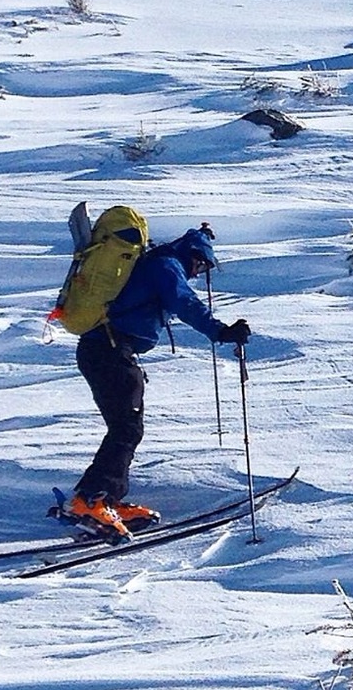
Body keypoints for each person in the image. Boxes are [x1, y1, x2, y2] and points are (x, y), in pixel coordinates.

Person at [67, 225, 250, 537]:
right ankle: (93, 500)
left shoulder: (159, 262)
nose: (198, 272)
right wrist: (220, 331)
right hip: (109, 349)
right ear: (191, 255)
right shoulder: (166, 265)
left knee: (125, 427)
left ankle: (104, 498)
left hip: (105, 349)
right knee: (127, 427)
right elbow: (184, 301)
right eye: (201, 264)